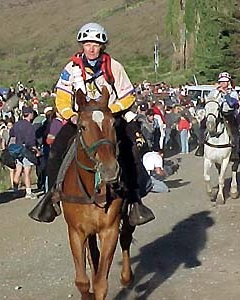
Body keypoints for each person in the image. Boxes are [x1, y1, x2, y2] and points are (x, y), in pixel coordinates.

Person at [41, 22, 154, 226]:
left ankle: (135, 200)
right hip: (82, 119)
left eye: (95, 44)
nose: (91, 48)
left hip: (110, 117)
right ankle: (52, 195)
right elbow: (62, 97)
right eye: (87, 44)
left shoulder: (114, 66)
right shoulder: (71, 68)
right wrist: (71, 115)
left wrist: (112, 111)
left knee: (133, 147)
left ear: (102, 46)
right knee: (57, 149)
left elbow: (128, 96)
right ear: (81, 45)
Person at [195, 72, 240, 161]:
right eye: (221, 82)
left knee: (235, 130)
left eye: (225, 82)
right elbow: (209, 102)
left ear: (229, 82)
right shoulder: (213, 92)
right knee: (202, 126)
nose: (223, 84)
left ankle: (235, 151)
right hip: (215, 113)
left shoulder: (233, 93)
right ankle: (201, 146)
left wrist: (226, 94)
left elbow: (232, 104)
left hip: (228, 114)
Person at [10, 106, 41, 199]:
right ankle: (28, 192)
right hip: (26, 150)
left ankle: (15, 191)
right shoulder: (29, 126)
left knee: (18, 170)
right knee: (27, 171)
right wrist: (37, 151)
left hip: (17, 149)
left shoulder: (17, 124)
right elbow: (30, 141)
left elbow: (11, 133)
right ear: (30, 114)